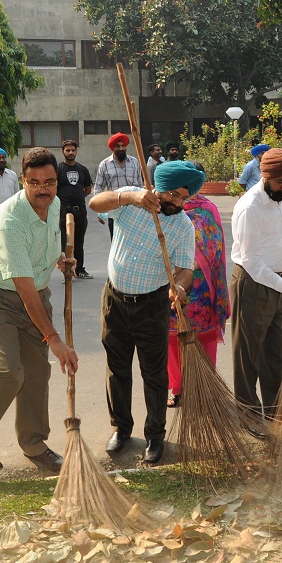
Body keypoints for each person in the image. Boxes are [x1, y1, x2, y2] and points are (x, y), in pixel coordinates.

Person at [0, 146, 78, 474]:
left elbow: (44, 245)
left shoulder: (53, 204)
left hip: (35, 294)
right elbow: (24, 289)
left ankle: (34, 444)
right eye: (35, 182)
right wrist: (54, 339)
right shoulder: (10, 218)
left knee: (38, 372)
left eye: (50, 182)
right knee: (8, 371)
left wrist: (60, 259)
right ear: (22, 182)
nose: (44, 189)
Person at [88, 161, 199, 463]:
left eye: (183, 199)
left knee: (154, 374)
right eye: (173, 195)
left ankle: (155, 435)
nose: (177, 203)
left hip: (152, 305)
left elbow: (186, 268)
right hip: (115, 299)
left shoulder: (182, 226)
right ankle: (122, 429)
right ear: (159, 187)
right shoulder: (131, 198)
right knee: (117, 368)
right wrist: (129, 198)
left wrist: (180, 287)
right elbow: (95, 204)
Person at [230, 148, 282, 431]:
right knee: (247, 354)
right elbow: (250, 259)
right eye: (280, 183)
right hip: (253, 284)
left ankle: (275, 410)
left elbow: (273, 233)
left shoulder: (276, 201)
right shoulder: (250, 206)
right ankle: (248, 415)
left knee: (273, 352)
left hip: (277, 284)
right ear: (266, 176)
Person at [167, 174, 229, 409]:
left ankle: (205, 386)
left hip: (200, 287)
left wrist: (186, 268)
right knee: (172, 338)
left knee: (204, 337)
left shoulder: (207, 210)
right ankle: (177, 388)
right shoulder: (167, 207)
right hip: (170, 283)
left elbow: (214, 246)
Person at [56, 139, 94, 279]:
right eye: (68, 150)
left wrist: (77, 197)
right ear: (63, 152)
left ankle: (80, 269)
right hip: (63, 211)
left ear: (76, 151)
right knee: (64, 242)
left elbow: (88, 189)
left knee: (79, 241)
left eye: (73, 150)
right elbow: (54, 188)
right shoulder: (58, 169)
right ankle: (66, 270)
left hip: (80, 211)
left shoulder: (82, 169)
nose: (70, 152)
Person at [95, 132, 142, 240]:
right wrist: (100, 210)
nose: (121, 148)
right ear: (112, 148)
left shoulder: (134, 162)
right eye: (118, 146)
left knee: (136, 241)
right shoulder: (104, 164)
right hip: (115, 210)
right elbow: (98, 188)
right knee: (116, 242)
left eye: (123, 146)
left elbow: (140, 185)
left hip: (133, 210)